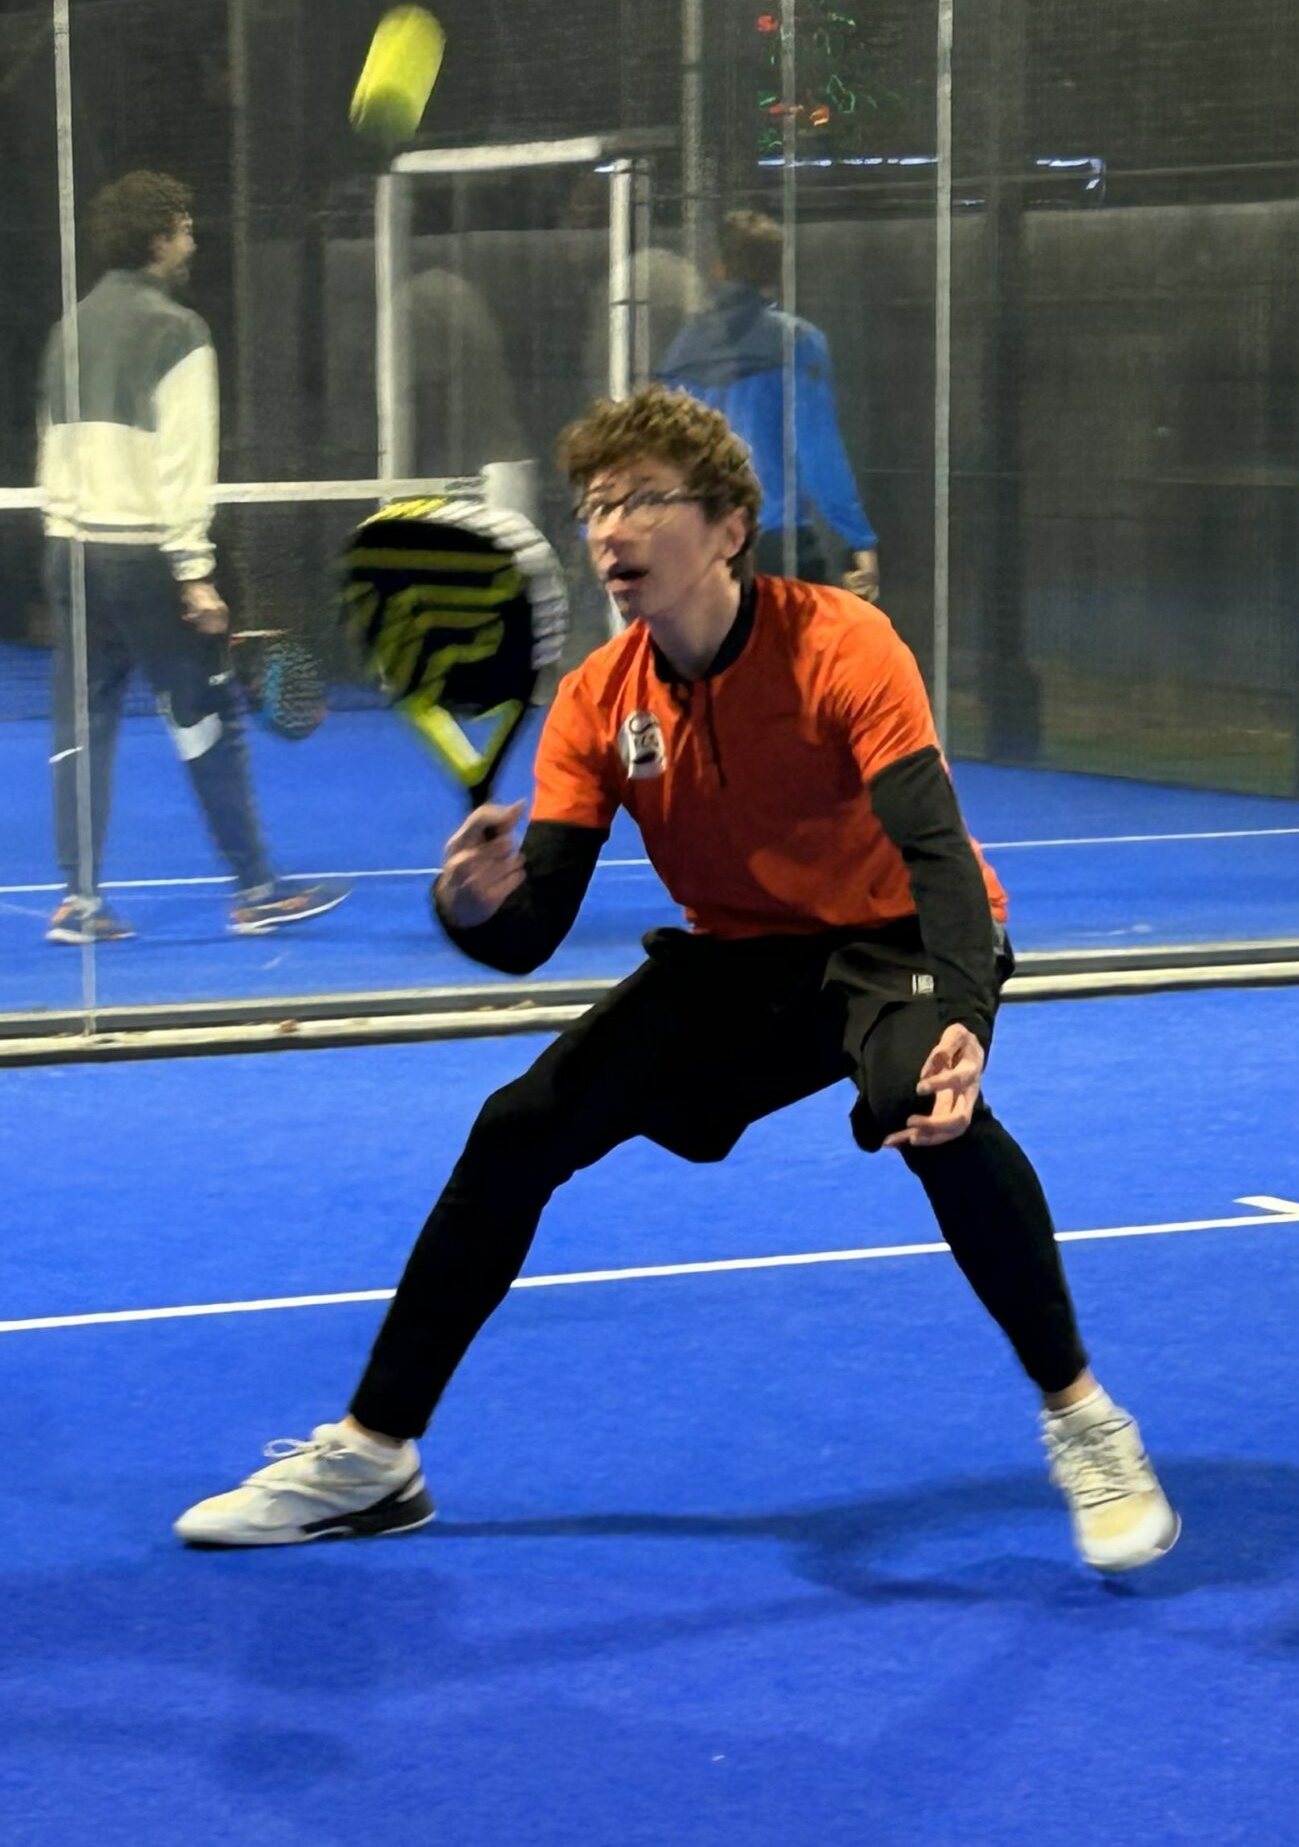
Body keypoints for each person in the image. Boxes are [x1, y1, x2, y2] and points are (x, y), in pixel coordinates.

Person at [175, 385, 1179, 1575]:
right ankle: (373, 1457)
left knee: (931, 1105)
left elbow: (934, 848)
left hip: (895, 936)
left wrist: (967, 1015)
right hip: (741, 955)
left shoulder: (845, 645)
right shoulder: (599, 700)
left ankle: (1085, 1422)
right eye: (597, 507)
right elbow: (530, 933)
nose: (612, 529)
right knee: (517, 1129)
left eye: (644, 500)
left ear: (729, 527)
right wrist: (471, 902)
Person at [37, 170, 347, 941]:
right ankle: (257, 889)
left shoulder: (68, 327)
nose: (192, 241)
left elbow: (53, 451)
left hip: (69, 551)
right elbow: (183, 465)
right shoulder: (179, 332)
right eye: (182, 227)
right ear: (157, 239)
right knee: (205, 718)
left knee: (83, 727)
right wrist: (194, 574)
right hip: (144, 558)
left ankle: (79, 902)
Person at [659, 209, 880, 602]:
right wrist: (856, 537)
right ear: (777, 271)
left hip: (702, 545)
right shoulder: (798, 342)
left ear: (717, 268)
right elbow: (817, 449)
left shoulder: (681, 349)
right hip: (777, 543)